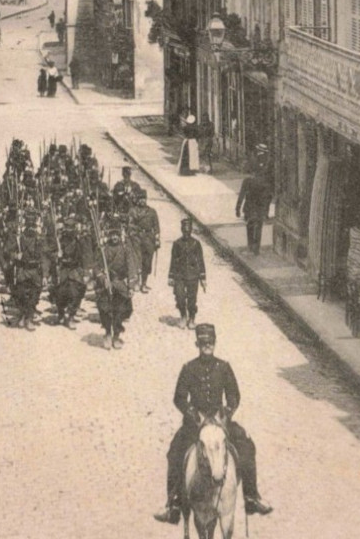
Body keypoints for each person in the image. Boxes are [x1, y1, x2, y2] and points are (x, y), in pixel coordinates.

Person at [154, 323, 273, 523]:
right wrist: (193, 414)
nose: (207, 346)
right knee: (175, 451)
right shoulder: (189, 368)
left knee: (246, 445)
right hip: (195, 424)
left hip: (220, 422)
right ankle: (173, 503)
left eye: (210, 342)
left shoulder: (224, 367)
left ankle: (252, 496)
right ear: (197, 344)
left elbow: (234, 395)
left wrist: (226, 413)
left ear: (215, 343)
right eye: (203, 343)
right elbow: (179, 398)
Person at [94, 222, 136, 350]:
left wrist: (131, 286)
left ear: (120, 236)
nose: (114, 238)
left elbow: (131, 267)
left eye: (116, 235)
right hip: (106, 284)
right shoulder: (103, 249)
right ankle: (107, 333)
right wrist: (102, 278)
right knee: (105, 309)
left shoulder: (125, 249)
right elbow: (96, 267)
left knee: (120, 310)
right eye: (112, 235)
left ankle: (116, 335)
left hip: (119, 284)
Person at [168, 217, 206, 328]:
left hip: (193, 275)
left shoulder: (196, 244)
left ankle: (192, 318)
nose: (186, 231)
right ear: (181, 229)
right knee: (179, 296)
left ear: (191, 230)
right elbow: (173, 260)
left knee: (192, 298)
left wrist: (203, 277)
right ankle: (183, 316)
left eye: (188, 229)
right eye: (184, 229)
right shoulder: (177, 243)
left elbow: (200, 261)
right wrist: (171, 276)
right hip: (179, 275)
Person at [127, 188, 160, 293]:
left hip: (149, 239)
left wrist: (157, 239)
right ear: (137, 199)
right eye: (140, 198)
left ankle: (144, 283)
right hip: (137, 238)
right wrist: (133, 234)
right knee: (137, 260)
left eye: (144, 198)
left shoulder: (152, 212)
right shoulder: (133, 211)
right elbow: (130, 224)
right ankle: (136, 283)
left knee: (147, 261)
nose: (142, 201)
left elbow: (156, 227)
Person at [236, 169, 273, 255]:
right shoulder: (264, 182)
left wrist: (237, 208)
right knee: (259, 228)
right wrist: (266, 211)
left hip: (249, 209)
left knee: (250, 227)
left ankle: (250, 247)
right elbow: (268, 197)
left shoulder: (247, 181)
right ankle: (256, 249)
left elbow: (241, 195)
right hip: (260, 209)